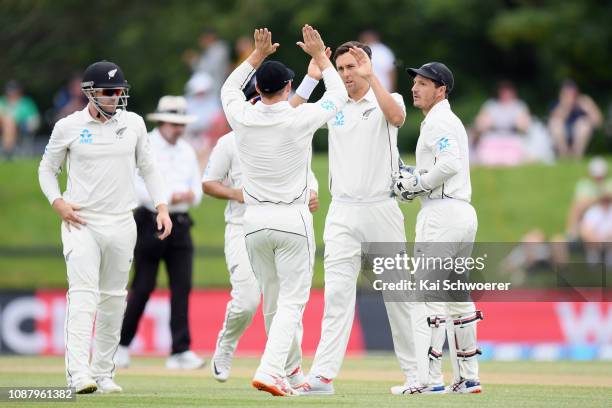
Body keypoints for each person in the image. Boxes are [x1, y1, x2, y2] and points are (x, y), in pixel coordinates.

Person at [220, 25, 347, 396]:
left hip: (254, 222)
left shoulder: (241, 116)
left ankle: (291, 372)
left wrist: (256, 57)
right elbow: (337, 95)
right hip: (292, 218)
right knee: (292, 301)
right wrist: (321, 56)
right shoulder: (298, 118)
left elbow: (228, 89)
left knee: (274, 301)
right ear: (288, 89)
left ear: (258, 90)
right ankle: (271, 369)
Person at [38, 61, 172, 394]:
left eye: (118, 91)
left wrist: (162, 206)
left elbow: (150, 168)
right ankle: (78, 374)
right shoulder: (69, 126)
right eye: (108, 92)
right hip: (81, 221)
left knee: (113, 300)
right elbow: (47, 170)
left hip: (122, 221)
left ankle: (103, 374)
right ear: (90, 93)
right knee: (83, 297)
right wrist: (58, 202)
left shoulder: (135, 123)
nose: (114, 97)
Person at [298, 41, 417, 396]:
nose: (348, 74)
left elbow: (397, 117)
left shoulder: (386, 98)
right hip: (342, 211)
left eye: (354, 67)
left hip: (381, 208)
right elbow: (291, 117)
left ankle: (417, 375)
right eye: (343, 68)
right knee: (336, 294)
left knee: (398, 295)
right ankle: (322, 376)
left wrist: (372, 77)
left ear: (367, 66)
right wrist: (315, 69)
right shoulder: (334, 103)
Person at [203, 64, 326, 383]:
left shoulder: (282, 124)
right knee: (247, 302)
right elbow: (209, 183)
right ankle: (227, 344)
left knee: (281, 304)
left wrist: (312, 191)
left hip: (278, 220)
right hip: (243, 225)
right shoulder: (233, 138)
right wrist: (239, 195)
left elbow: (303, 169)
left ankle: (291, 369)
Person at [393, 62, 482, 394]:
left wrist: (418, 185)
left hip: (442, 214)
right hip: (462, 214)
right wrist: (419, 175)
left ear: (441, 89)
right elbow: (447, 163)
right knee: (458, 296)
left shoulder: (438, 121)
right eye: (414, 83)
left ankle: (429, 381)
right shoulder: (449, 120)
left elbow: (449, 163)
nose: (415, 88)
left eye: (423, 84)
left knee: (427, 298)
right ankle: (468, 376)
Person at [115, 96, 204, 370]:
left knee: (182, 286)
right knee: (142, 286)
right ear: (162, 121)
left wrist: (184, 197)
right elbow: (136, 187)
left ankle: (180, 350)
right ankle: (121, 346)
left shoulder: (187, 150)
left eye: (182, 124)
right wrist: (167, 198)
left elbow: (197, 191)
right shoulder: (147, 145)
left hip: (180, 222)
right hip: (150, 221)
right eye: (174, 123)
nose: (179, 129)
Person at [473, 81, 531, 166]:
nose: (506, 94)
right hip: (493, 138)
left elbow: (525, 126)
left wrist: (519, 124)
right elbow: (479, 124)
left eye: (508, 92)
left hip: (512, 138)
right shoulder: (491, 105)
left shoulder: (519, 106)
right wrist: (485, 123)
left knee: (513, 159)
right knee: (487, 158)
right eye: (503, 92)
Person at [548, 79, 603, 158]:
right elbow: (552, 122)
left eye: (572, 94)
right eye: (566, 94)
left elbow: (599, 123)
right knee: (555, 123)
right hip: (562, 138)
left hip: (578, 138)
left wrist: (590, 108)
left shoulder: (583, 104)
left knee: (583, 123)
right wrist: (565, 107)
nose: (570, 97)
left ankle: (577, 156)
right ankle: (564, 157)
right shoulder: (556, 104)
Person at [566, 157, 612, 239]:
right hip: (590, 217)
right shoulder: (584, 185)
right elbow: (579, 205)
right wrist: (599, 197)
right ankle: (572, 235)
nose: (599, 178)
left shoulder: (609, 183)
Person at [0, 80, 40, 159]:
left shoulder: (26, 102)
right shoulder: (2, 101)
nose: (12, 93)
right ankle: (8, 150)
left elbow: (35, 119)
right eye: (10, 91)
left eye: (14, 90)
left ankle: (8, 150)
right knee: (8, 122)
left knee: (9, 123)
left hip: (22, 125)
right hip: (4, 125)